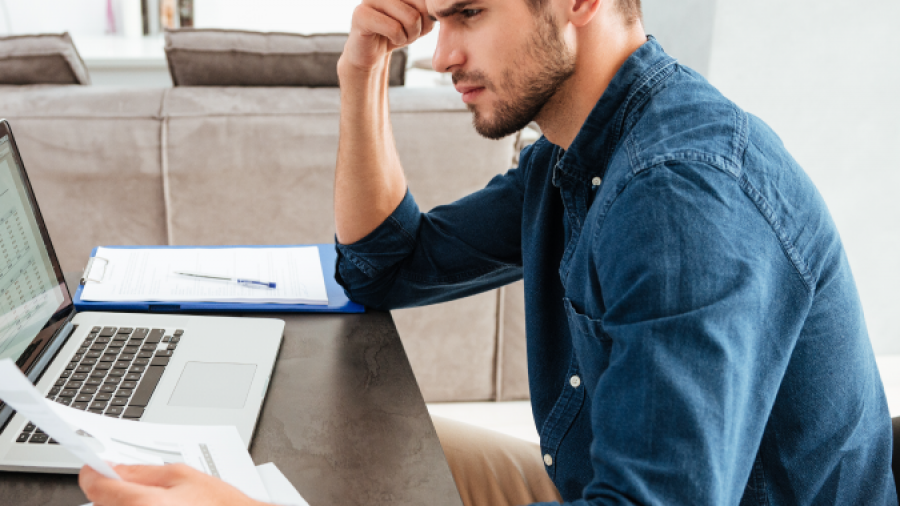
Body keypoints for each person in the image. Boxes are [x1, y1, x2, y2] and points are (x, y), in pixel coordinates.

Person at [79, 0, 897, 505]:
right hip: (590, 477)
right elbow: (384, 266)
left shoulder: (683, 199)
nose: (440, 57)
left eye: (468, 14)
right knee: (351, 456)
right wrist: (361, 68)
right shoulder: (571, 155)